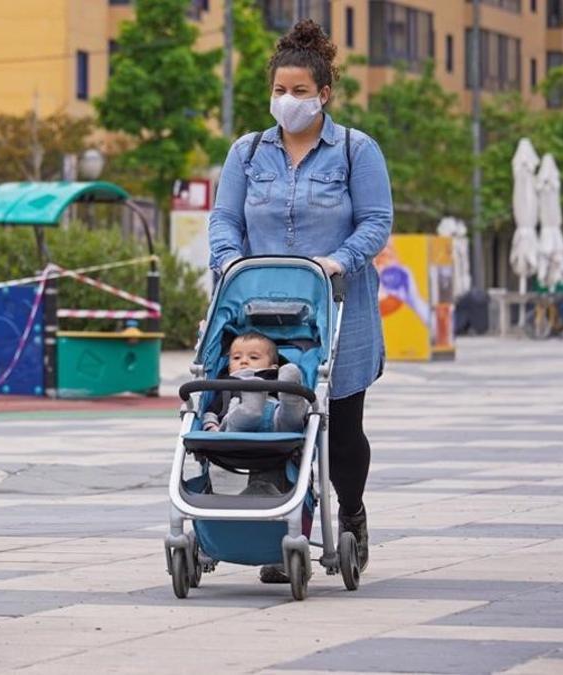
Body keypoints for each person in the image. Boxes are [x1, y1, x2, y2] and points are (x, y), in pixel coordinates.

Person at [208, 20, 393, 581]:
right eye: (280, 91)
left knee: (337, 427)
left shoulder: (355, 151)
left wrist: (338, 259)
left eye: (300, 92)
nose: (288, 101)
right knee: (273, 415)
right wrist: (226, 260)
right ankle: (287, 528)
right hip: (259, 311)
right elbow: (225, 219)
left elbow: (376, 222)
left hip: (335, 306)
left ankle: (352, 511)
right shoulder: (246, 153)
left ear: (324, 94)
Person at [201, 332, 308, 435]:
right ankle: (250, 409)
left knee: (289, 410)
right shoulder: (226, 384)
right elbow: (212, 412)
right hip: (237, 428)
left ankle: (291, 401)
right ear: (229, 368)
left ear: (273, 367)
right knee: (237, 418)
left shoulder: (277, 378)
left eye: (253, 357)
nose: (244, 361)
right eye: (237, 358)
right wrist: (211, 426)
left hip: (277, 421)